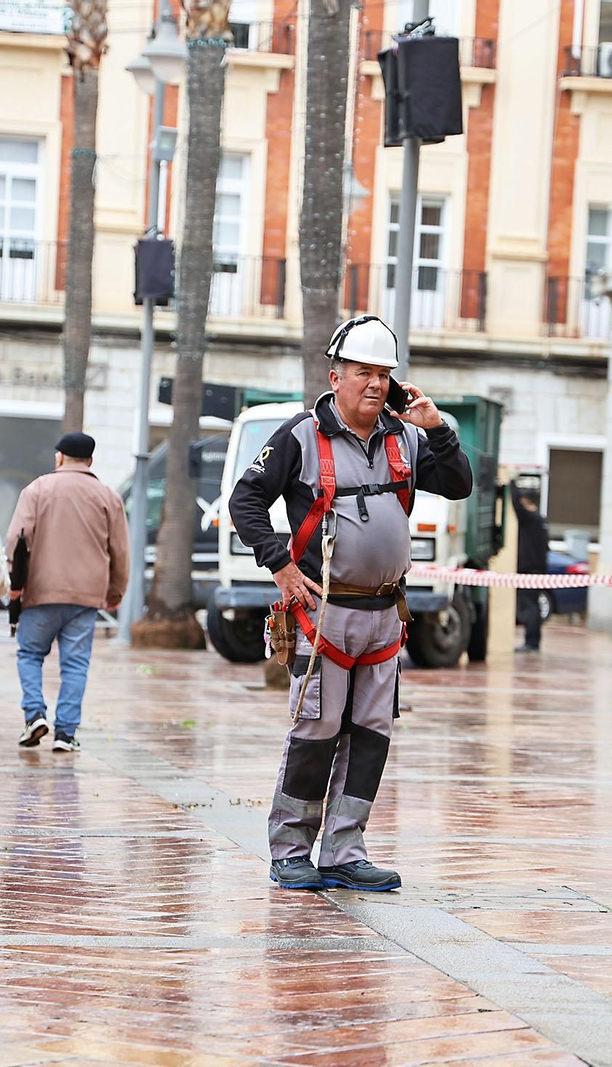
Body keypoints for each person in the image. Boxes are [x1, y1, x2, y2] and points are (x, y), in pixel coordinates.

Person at [229, 315, 473, 892]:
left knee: (370, 735)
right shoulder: (299, 437)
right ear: (335, 375)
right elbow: (246, 501)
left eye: (383, 374)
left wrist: (437, 428)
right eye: (363, 372)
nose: (375, 384)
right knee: (314, 732)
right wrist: (281, 566)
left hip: (385, 617)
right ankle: (290, 850)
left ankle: (345, 850)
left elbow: (459, 483)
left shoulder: (406, 437)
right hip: (322, 615)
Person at [5, 431, 129, 753]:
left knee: (30, 654)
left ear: (59, 457)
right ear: (90, 460)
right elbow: (120, 550)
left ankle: (34, 715)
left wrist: (13, 584)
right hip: (86, 597)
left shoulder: (37, 489)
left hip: (40, 592)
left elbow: (17, 540)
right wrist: (115, 591)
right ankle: (65, 734)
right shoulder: (108, 496)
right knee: (75, 665)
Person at [515, 491, 550, 653]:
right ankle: (533, 642)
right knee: (533, 605)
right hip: (538, 569)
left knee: (529, 608)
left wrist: (510, 482)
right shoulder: (540, 520)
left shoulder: (531, 519)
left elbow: (516, 507)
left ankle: (531, 642)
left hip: (528, 570)